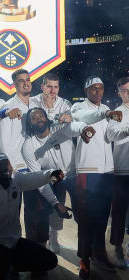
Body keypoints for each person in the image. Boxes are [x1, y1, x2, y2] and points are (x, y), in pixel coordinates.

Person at [0, 153, 63, 280]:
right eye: (1, 165)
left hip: (13, 242)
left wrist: (51, 173)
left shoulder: (16, 178)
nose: (6, 168)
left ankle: (11, 266)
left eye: (8, 164)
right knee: (0, 263)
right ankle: (5, 267)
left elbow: (34, 177)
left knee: (50, 260)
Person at [22, 107, 95, 253]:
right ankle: (52, 235)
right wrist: (55, 204)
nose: (39, 118)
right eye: (34, 118)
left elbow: (74, 127)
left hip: (73, 173)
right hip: (55, 177)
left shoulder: (60, 129)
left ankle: (85, 255)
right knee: (50, 207)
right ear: (29, 124)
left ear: (47, 118)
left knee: (83, 214)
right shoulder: (28, 146)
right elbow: (39, 179)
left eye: (41, 115)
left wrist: (84, 128)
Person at [71, 76, 123, 279]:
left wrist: (125, 130)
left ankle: (98, 254)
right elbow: (89, 117)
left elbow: (111, 135)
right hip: (87, 171)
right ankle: (84, 259)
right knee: (86, 218)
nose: (98, 92)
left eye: (100, 88)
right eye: (93, 89)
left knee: (102, 218)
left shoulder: (107, 107)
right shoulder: (78, 108)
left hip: (107, 171)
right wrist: (107, 113)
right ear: (86, 91)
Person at [106, 77, 129, 268]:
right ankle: (117, 248)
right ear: (119, 93)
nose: (128, 93)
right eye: (124, 90)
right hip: (122, 171)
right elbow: (111, 134)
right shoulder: (115, 113)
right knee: (119, 213)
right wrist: (128, 130)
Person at [0, 68, 36, 171]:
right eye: (21, 81)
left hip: (36, 162)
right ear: (14, 84)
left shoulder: (36, 104)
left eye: (28, 80)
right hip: (19, 164)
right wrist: (11, 167)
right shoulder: (7, 107)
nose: (26, 83)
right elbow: (3, 142)